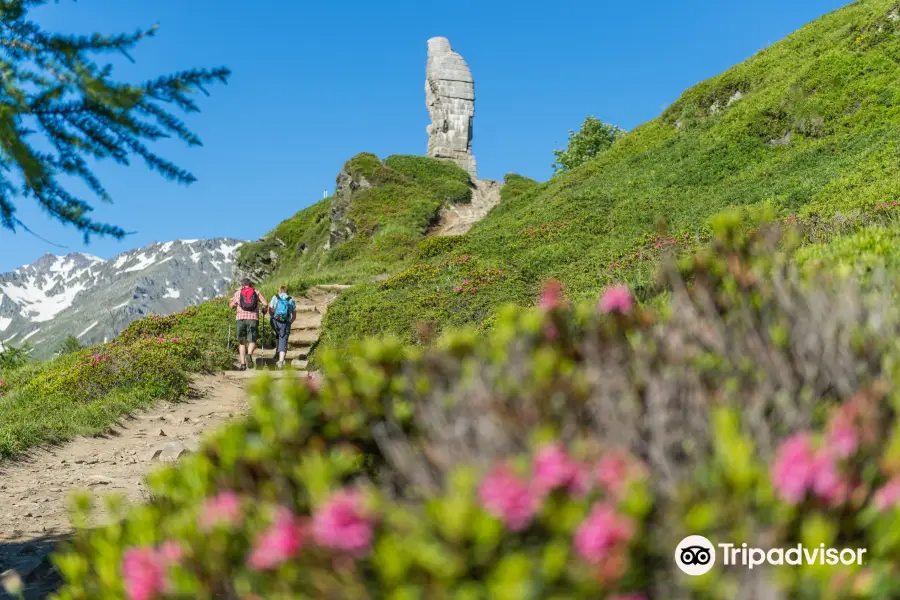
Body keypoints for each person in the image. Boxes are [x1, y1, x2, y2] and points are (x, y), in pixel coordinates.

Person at [229, 278, 268, 371]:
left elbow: (232, 306)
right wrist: (264, 310)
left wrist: (231, 302)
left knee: (242, 342)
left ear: (242, 285)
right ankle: (249, 354)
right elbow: (265, 304)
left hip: (241, 319)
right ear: (251, 285)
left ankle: (243, 365)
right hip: (253, 319)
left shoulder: (238, 293)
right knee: (252, 340)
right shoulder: (256, 292)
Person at [268, 285, 296, 369]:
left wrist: (273, 318)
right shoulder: (290, 299)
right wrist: (289, 323)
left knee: (278, 335)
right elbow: (294, 315)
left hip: (275, 322)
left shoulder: (275, 297)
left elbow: (270, 309)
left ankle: (277, 353)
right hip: (285, 323)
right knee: (283, 339)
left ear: (279, 291)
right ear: (286, 291)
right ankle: (280, 361)